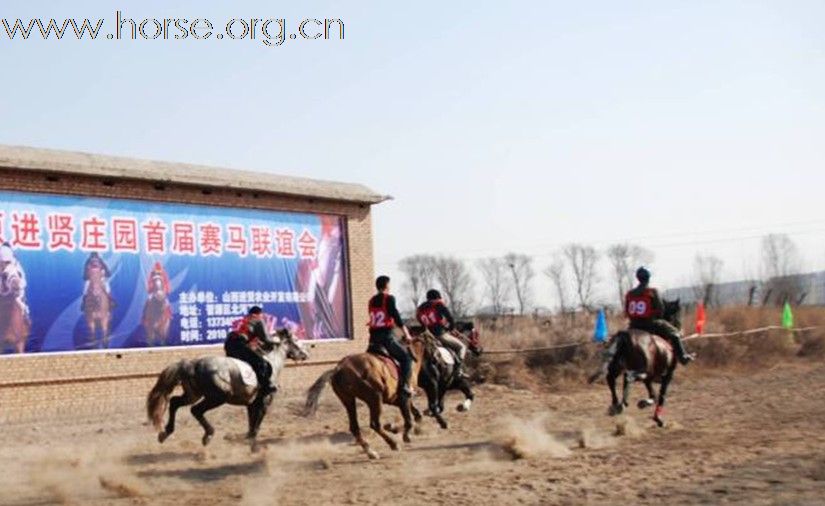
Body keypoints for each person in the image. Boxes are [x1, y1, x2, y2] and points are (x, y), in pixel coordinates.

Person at [625, 267, 695, 365]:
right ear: (648, 278)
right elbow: (660, 310)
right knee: (675, 334)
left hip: (633, 325)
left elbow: (626, 311)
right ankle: (683, 356)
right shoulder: (652, 291)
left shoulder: (629, 293)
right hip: (650, 324)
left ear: (638, 278)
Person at [368, 275, 414, 398]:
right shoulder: (389, 298)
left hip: (372, 340)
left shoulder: (371, 300)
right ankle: (404, 386)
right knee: (406, 359)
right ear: (387, 285)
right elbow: (397, 318)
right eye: (390, 284)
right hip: (386, 339)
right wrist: (407, 334)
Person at [225, 306, 278, 397]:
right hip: (239, 344)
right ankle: (266, 386)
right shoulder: (258, 320)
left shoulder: (243, 319)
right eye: (261, 314)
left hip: (228, 343)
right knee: (261, 363)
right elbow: (266, 339)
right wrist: (277, 341)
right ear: (258, 313)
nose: (262, 316)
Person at [416, 289, 467, 376]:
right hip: (440, 335)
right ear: (437, 297)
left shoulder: (420, 309)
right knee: (462, 347)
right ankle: (459, 370)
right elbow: (451, 319)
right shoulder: (438, 304)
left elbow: (420, 321)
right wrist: (450, 328)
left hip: (426, 336)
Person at [0, 242, 29, 319]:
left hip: (15, 298)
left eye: (6, 262)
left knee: (22, 307)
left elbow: (22, 282)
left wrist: (17, 285)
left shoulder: (16, 266)